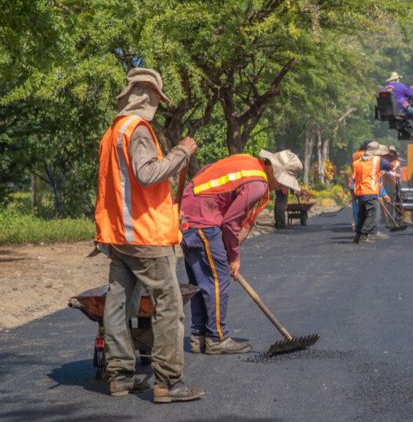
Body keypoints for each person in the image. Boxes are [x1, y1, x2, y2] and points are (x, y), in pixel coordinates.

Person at [95, 67, 204, 403]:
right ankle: (168, 382)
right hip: (144, 236)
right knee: (169, 305)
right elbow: (147, 175)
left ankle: (120, 377)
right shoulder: (138, 131)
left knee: (117, 304)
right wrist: (182, 151)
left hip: (118, 235)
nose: (158, 103)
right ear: (147, 96)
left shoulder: (113, 132)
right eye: (157, 96)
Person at [180, 150, 302, 354]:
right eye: (282, 181)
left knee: (201, 282)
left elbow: (206, 170)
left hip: (187, 216)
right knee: (218, 281)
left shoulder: (247, 161)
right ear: (272, 168)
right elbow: (230, 222)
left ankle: (199, 336)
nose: (280, 187)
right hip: (203, 220)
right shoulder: (257, 183)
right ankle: (216, 338)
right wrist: (233, 257)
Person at [352, 142, 393, 243]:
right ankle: (364, 236)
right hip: (370, 191)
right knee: (373, 214)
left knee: (362, 214)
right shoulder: (377, 160)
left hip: (360, 192)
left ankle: (357, 235)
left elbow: (356, 177)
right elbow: (390, 166)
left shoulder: (357, 162)